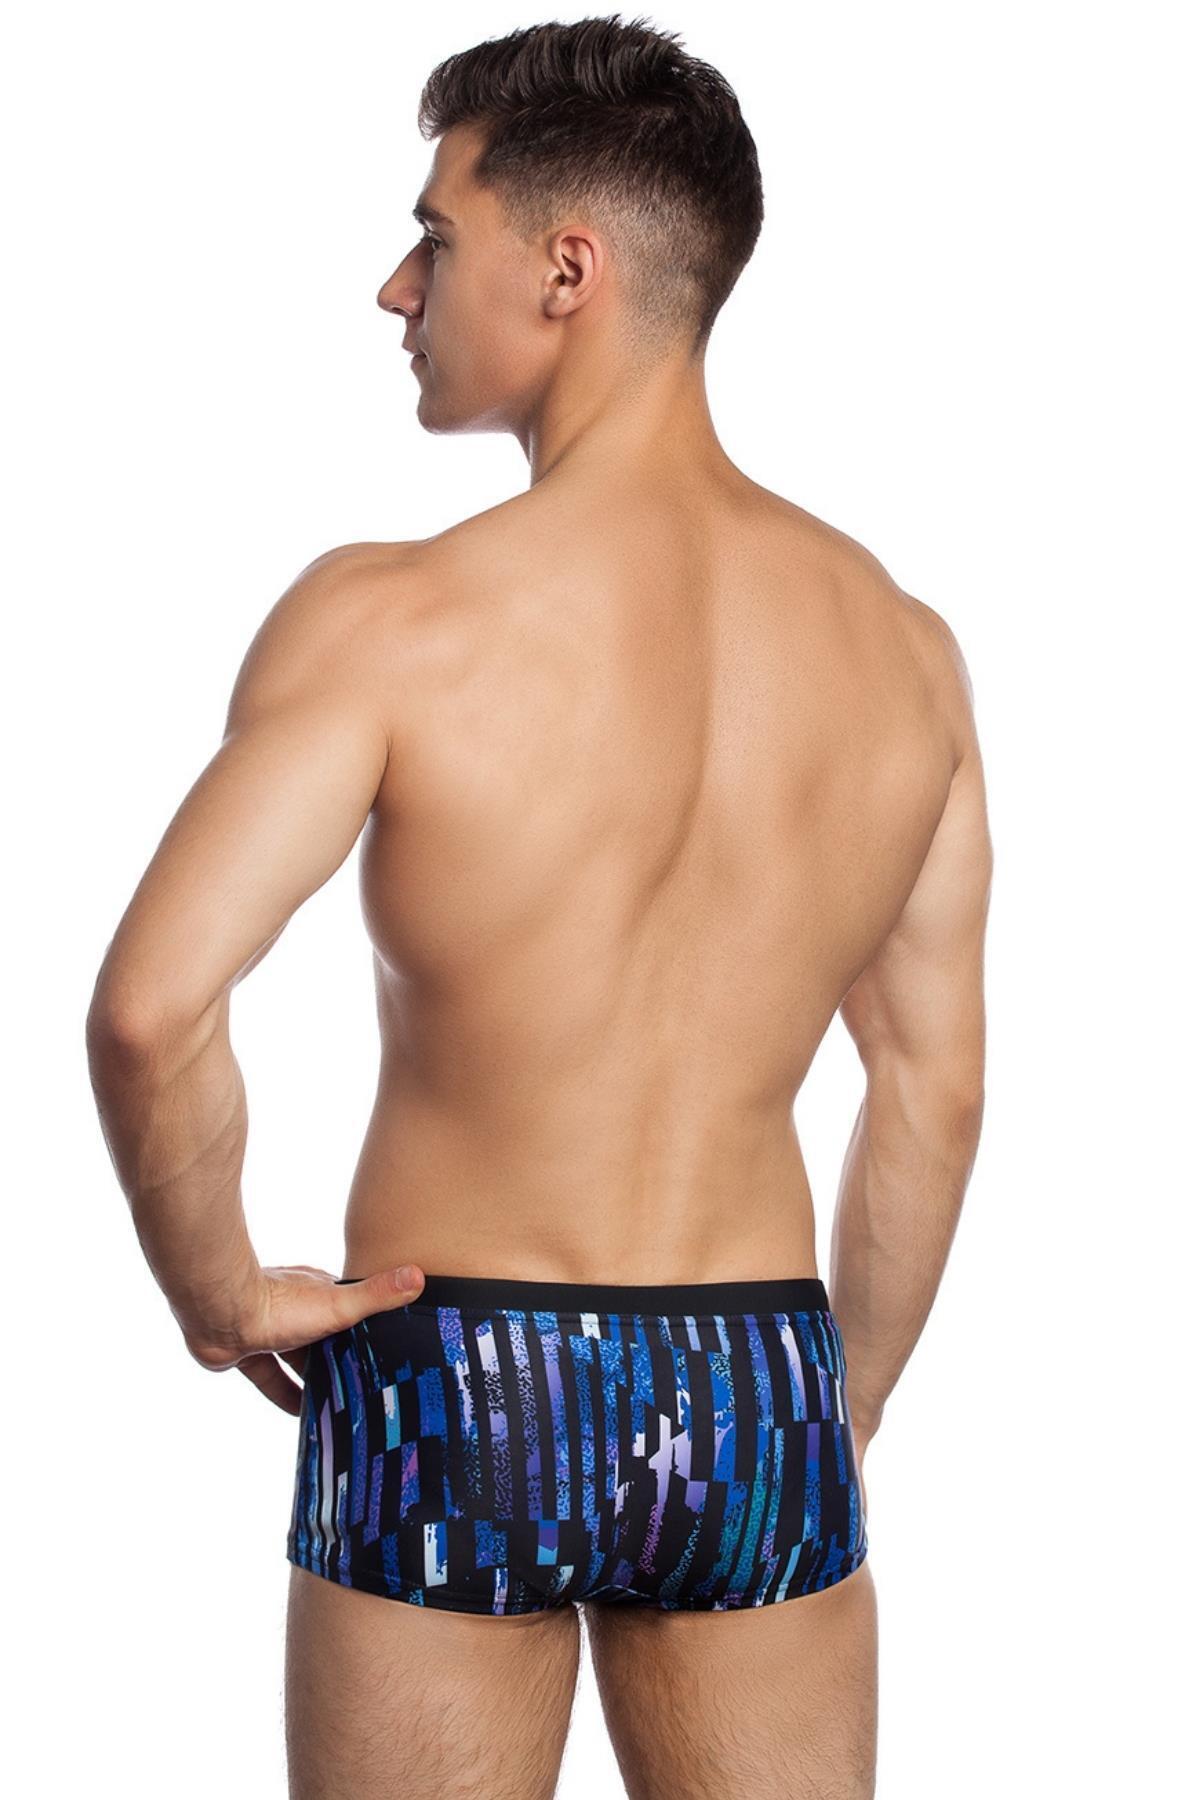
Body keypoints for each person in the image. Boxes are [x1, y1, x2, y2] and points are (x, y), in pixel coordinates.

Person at [85, 16, 991, 1799]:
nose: (395, 286)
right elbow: (930, 1087)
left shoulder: (393, 619)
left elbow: (151, 1004)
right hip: (757, 1374)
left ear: (568, 269)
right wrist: (840, 1411)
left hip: (453, 1369)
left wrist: (221, 1292)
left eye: (435, 235)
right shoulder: (904, 653)